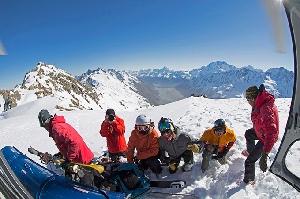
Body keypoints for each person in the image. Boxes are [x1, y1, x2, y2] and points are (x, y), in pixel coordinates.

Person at [38, 109, 95, 186]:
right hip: (82, 158)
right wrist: (63, 153)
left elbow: (74, 142)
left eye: (44, 126)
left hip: (82, 160)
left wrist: (68, 159)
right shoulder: (59, 125)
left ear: (46, 122)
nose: (45, 129)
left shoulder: (56, 128)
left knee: (86, 188)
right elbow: (67, 142)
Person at [242, 84, 279, 184]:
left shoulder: (265, 109)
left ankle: (249, 181)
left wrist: (265, 153)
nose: (248, 102)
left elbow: (271, 132)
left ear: (253, 98)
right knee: (249, 134)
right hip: (262, 132)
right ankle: (251, 153)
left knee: (249, 162)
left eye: (248, 100)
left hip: (266, 138)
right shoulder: (259, 103)